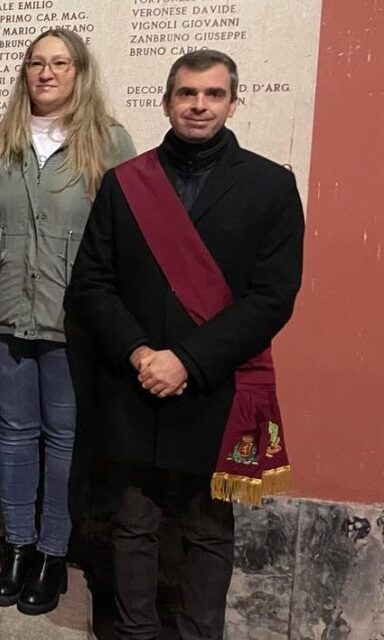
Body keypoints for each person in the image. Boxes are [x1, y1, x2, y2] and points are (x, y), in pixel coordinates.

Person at [66, 50, 303, 639]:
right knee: (132, 523)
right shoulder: (126, 183)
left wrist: (188, 361)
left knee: (206, 529)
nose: (199, 105)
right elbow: (92, 283)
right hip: (134, 382)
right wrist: (142, 353)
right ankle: (133, 630)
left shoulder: (271, 185)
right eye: (188, 94)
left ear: (233, 102)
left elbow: (273, 297)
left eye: (213, 94)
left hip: (212, 385)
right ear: (167, 100)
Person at [0, 29, 135, 615]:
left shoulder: (109, 143)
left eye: (60, 63)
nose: (47, 73)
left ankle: (53, 556)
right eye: (37, 63)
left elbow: (127, 241)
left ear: (79, 72)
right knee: (12, 435)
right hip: (3, 311)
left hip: (74, 320)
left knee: (63, 440)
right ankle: (17, 549)